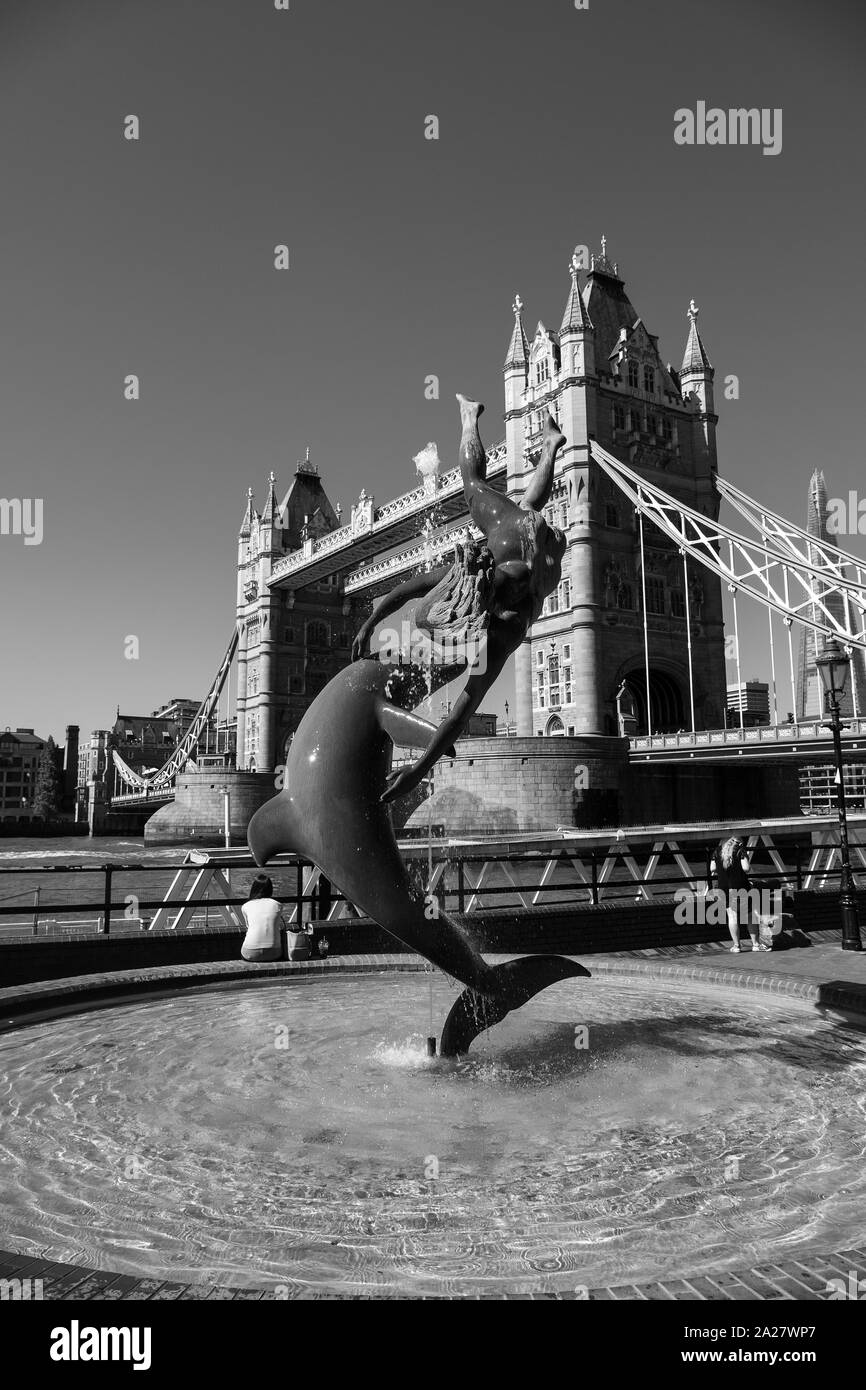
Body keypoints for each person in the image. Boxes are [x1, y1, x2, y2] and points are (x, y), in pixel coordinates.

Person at [352, 394, 567, 802]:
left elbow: (459, 714)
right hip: (526, 537)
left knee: (500, 494)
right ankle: (483, 422)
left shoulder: (503, 628)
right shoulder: (476, 573)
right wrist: (371, 622)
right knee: (485, 488)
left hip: (543, 558)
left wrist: (418, 771)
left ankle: (520, 434)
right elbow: (408, 592)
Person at [710, 836, 768, 953]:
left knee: (732, 917)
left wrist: (724, 870)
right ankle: (756, 945)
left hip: (724, 888)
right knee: (750, 916)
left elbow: (712, 868)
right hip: (740, 887)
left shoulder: (717, 851)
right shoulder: (740, 850)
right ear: (739, 843)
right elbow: (746, 868)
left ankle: (736, 946)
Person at [240, 874, 288, 962]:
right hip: (274, 952)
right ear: (270, 889)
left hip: (250, 952)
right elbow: (280, 926)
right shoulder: (278, 905)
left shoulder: (245, 906)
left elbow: (248, 926)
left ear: (253, 889)